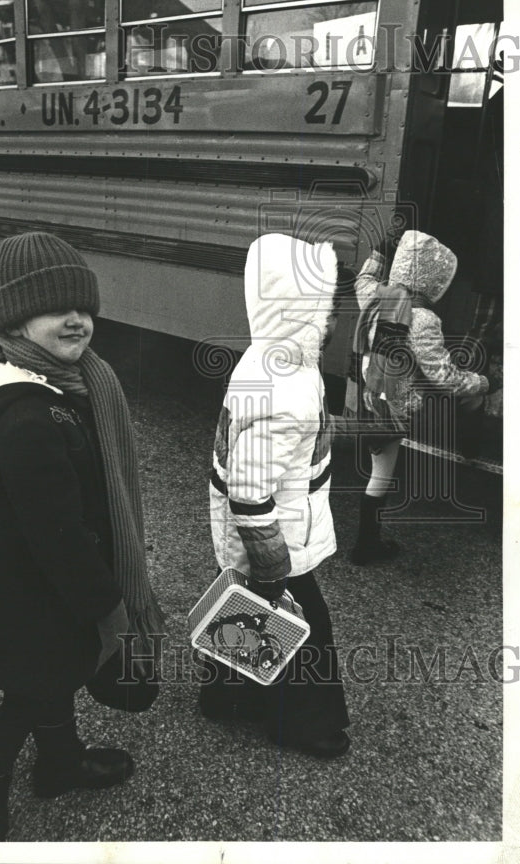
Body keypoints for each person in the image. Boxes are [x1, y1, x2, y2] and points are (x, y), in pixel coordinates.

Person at [0, 231, 164, 841]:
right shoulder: (28, 414)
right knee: (31, 689)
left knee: (53, 677)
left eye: (83, 307)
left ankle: (61, 763)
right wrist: (110, 609)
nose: (76, 320)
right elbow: (57, 535)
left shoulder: (64, 387)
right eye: (54, 308)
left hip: (35, 587)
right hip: (33, 592)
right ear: (15, 317)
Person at [200, 233, 350, 758]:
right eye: (324, 309)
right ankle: (304, 723)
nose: (332, 322)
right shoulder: (287, 387)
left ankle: (225, 694)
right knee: (302, 626)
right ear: (296, 311)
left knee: (247, 607)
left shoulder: (270, 361)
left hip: (259, 528)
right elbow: (250, 487)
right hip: (276, 534)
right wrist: (272, 561)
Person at [346, 229, 490, 565]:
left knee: (376, 467)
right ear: (434, 277)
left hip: (365, 397)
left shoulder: (375, 296)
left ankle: (365, 542)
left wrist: (381, 250)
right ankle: (366, 546)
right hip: (391, 408)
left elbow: (364, 277)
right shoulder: (423, 319)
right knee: (381, 473)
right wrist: (485, 383)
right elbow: (445, 377)